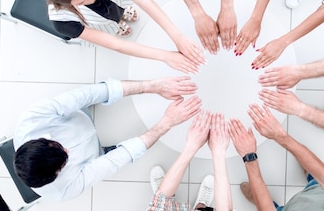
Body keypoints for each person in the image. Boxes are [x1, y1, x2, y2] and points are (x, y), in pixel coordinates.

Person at [13, 77, 201, 202]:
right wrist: (166, 123)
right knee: (124, 156)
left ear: (42, 140)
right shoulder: (64, 190)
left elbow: (85, 95)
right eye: (64, 162)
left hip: (80, 115)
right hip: (96, 155)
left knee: (98, 91)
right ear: (56, 176)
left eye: (59, 146)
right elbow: (114, 161)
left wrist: (152, 86)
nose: (68, 150)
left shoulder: (31, 120)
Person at [45, 0, 204, 74]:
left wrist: (177, 36)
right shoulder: (61, 21)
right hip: (94, 21)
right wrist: (165, 56)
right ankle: (117, 23)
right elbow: (116, 44)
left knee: (116, 4)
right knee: (109, 23)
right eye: (82, 1)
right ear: (66, 3)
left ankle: (121, 14)